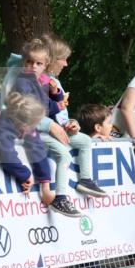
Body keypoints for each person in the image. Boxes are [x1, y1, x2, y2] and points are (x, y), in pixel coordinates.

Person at [11, 37, 82, 217]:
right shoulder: (23, 81)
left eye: (38, 63)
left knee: (69, 149)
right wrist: (56, 104)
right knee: (48, 153)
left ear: (45, 64)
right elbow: (38, 106)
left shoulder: (43, 80)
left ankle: (70, 187)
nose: (33, 66)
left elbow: (50, 103)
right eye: (29, 62)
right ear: (23, 63)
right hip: (26, 128)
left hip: (39, 126)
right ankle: (51, 191)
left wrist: (56, 94)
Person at [45, 34, 108, 198]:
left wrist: (71, 124)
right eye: (63, 59)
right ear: (51, 59)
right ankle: (60, 196)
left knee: (85, 140)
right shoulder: (36, 82)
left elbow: (60, 114)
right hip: (43, 134)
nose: (66, 64)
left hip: (59, 132)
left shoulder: (55, 82)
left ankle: (85, 180)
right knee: (64, 155)